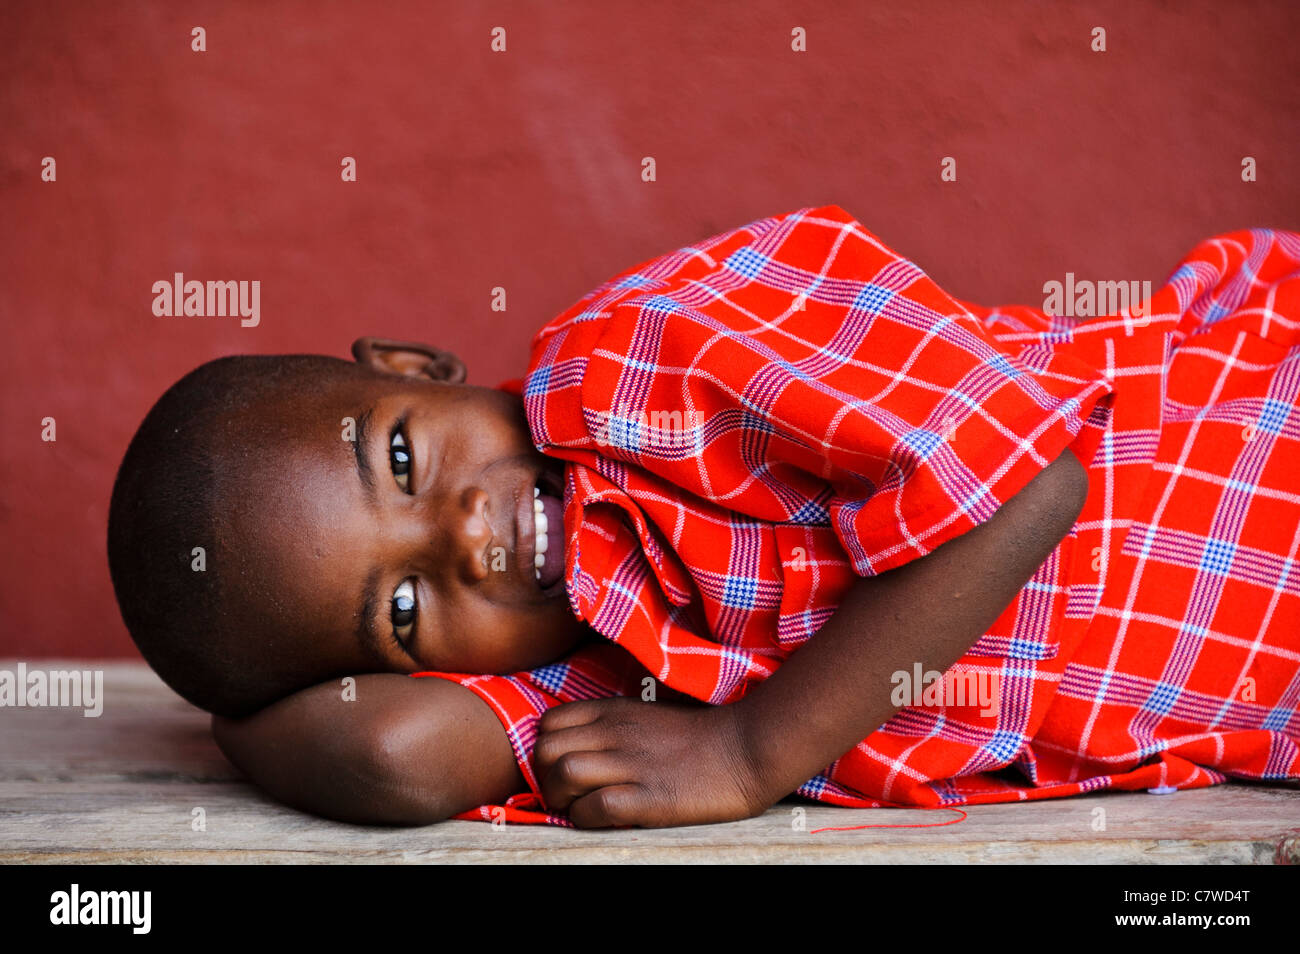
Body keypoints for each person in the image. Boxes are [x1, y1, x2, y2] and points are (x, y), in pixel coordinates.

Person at [107, 205, 1300, 828]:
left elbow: (1029, 485)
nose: (465, 536)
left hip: (1254, 447)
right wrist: (241, 706)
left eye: (404, 459)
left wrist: (751, 753)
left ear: (415, 365)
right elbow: (390, 760)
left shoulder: (645, 358)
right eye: (402, 608)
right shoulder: (612, 685)